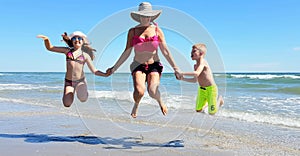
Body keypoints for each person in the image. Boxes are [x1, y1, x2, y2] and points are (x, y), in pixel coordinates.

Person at [106, 2, 180, 118]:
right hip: (138, 65)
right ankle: (136, 104)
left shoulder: (157, 30)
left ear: (151, 16)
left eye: (148, 15)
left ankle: (160, 101)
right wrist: (114, 68)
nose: (146, 18)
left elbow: (165, 51)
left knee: (152, 91)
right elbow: (127, 51)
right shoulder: (133, 31)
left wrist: (176, 68)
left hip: (154, 65)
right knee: (140, 91)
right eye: (143, 16)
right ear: (139, 16)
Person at [37, 31, 111, 107]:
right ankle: (72, 92)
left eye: (79, 38)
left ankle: (83, 92)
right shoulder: (67, 51)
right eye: (74, 38)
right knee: (67, 104)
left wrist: (105, 74)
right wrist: (46, 39)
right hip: (69, 82)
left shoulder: (85, 56)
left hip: (80, 81)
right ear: (71, 41)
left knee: (83, 99)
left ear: (83, 42)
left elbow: (94, 71)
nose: (77, 39)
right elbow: (50, 48)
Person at [177, 43, 224, 115]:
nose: (191, 53)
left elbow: (196, 73)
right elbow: (195, 80)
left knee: (212, 112)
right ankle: (208, 103)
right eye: (191, 52)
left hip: (211, 89)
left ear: (201, 53)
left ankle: (219, 100)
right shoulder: (195, 66)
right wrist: (182, 79)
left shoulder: (203, 62)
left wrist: (182, 73)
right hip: (201, 90)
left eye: (194, 51)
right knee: (198, 110)